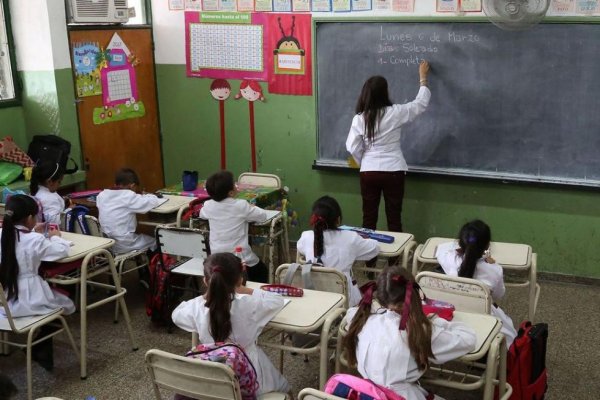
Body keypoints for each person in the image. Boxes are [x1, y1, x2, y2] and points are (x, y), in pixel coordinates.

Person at [342, 266, 476, 400]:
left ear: (380, 296)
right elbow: (469, 339)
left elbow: (351, 313)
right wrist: (437, 322)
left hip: (366, 393)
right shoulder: (420, 331)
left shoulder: (363, 319)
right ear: (414, 294)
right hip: (401, 396)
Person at [172, 252, 289, 395]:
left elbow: (176, 314)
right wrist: (243, 289)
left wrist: (207, 295)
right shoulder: (249, 304)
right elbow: (277, 300)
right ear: (239, 280)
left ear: (205, 281)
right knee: (284, 388)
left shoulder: (196, 308)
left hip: (212, 379)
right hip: (250, 377)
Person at [346, 60, 431, 233]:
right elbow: (420, 104)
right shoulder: (395, 113)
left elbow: (352, 147)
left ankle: (369, 259)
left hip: (369, 172)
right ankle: (395, 260)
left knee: (368, 218)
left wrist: (365, 160)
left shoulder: (360, 118)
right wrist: (423, 79)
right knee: (394, 217)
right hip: (394, 170)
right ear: (385, 93)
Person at [0, 194, 75, 371]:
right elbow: (61, 251)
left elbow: (20, 242)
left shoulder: (4, 234)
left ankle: (42, 349)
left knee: (58, 302)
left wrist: (34, 232)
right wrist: (56, 236)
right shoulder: (34, 240)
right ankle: (38, 347)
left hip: (5, 304)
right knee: (68, 305)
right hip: (29, 297)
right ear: (29, 218)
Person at [435, 219, 518, 346]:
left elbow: (441, 249)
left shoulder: (450, 260)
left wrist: (462, 248)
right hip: (482, 318)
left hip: (452, 315)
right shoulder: (494, 269)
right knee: (509, 329)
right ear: (487, 245)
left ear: (460, 243)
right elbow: (498, 296)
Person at [296, 195, 379, 306]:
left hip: (315, 299)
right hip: (345, 301)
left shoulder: (306, 236)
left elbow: (300, 248)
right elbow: (374, 248)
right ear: (338, 220)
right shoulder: (351, 238)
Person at [200, 170, 270, 283]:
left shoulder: (208, 206)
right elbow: (262, 216)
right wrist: (252, 207)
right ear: (231, 193)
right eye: (234, 184)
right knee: (262, 271)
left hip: (216, 257)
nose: (236, 185)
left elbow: (201, 214)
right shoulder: (241, 205)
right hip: (239, 257)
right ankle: (254, 294)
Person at [96, 168, 164, 255]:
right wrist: (150, 195)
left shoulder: (102, 195)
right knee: (155, 242)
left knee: (141, 238)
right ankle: (152, 267)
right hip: (123, 244)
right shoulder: (128, 196)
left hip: (107, 244)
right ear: (132, 186)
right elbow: (152, 202)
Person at [29, 160, 67, 225]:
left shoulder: (35, 191)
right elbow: (54, 222)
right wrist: (69, 210)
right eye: (59, 182)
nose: (60, 184)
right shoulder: (50, 199)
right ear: (50, 182)